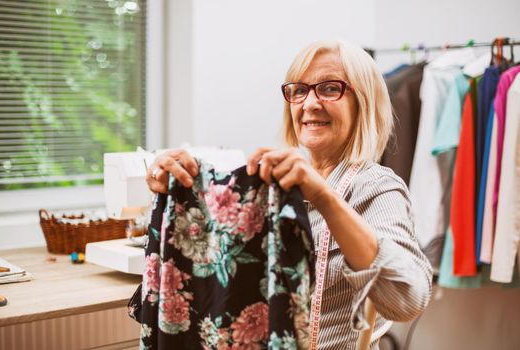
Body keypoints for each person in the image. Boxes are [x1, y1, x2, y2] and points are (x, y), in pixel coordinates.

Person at [146, 40, 432, 349]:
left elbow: (407, 299)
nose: (309, 104)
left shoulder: (377, 187)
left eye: (329, 88)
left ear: (362, 101)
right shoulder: (278, 187)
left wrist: (324, 197)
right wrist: (177, 190)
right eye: (299, 90)